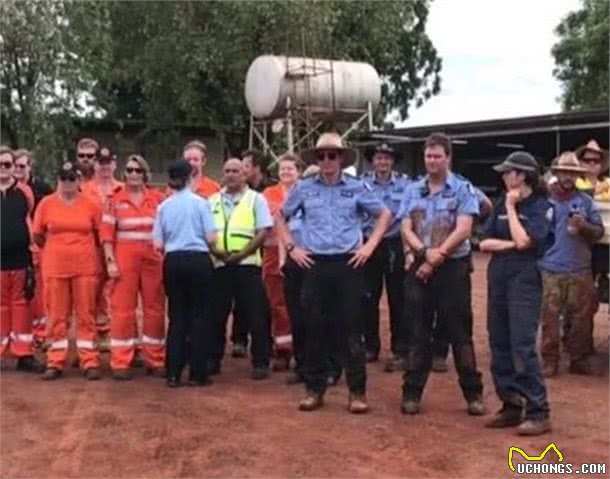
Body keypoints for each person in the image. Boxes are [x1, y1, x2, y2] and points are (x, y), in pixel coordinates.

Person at [278, 132, 392, 414]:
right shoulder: (304, 188)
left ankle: (357, 392)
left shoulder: (356, 187)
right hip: (315, 264)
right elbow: (280, 216)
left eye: (332, 155)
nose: (327, 161)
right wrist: (292, 248)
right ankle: (314, 390)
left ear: (341, 158)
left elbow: (385, 215)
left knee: (352, 329)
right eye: (322, 156)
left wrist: (370, 246)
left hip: (348, 264)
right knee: (314, 327)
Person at [399, 132, 484, 416]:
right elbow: (406, 227)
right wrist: (423, 253)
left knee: (460, 332)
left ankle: (473, 394)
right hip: (421, 263)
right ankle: (411, 393)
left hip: (452, 268)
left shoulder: (462, 189)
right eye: (428, 156)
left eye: (437, 156)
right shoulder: (413, 190)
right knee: (417, 332)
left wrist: (437, 256)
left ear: (448, 158)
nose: (432, 161)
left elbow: (464, 229)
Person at [480, 151, 553, 436]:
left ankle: (538, 410)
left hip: (524, 279)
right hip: (499, 274)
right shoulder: (500, 200)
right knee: (499, 342)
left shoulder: (540, 206)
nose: (503, 176)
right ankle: (511, 404)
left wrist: (511, 210)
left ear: (521, 175)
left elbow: (527, 241)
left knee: (521, 344)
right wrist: (512, 244)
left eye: (508, 172)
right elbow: (484, 242)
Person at [33, 161, 103, 380]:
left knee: (86, 315)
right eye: (64, 178)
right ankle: (55, 361)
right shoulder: (46, 204)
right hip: (55, 268)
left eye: (72, 178)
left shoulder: (91, 204)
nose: (68, 182)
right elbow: (38, 235)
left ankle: (89, 360)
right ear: (59, 180)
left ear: (79, 180)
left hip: (84, 267)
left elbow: (100, 234)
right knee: (56, 316)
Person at [538, 152, 604, 377]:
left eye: (573, 174)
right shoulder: (544, 200)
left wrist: (584, 226)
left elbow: (599, 232)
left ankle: (578, 358)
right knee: (549, 319)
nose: (568, 177)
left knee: (581, 318)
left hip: (579, 267)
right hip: (550, 267)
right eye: (564, 172)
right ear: (556, 174)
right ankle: (550, 359)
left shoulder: (586, 202)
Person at [101, 155, 166, 380]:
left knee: (155, 309)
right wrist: (110, 262)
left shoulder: (157, 199)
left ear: (145, 173)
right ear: (124, 173)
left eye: (138, 170)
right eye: (130, 170)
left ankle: (155, 358)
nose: (134, 174)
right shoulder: (114, 200)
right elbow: (107, 236)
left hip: (153, 259)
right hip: (124, 259)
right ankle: (121, 360)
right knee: (122, 310)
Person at [152, 160, 217, 387]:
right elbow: (211, 238)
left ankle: (172, 373)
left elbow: (158, 243)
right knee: (200, 316)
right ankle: (198, 373)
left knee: (177, 317)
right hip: (198, 259)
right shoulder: (201, 204)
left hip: (174, 260)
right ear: (191, 178)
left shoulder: (163, 207)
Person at [208, 158, 273, 380]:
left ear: (244, 175)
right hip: (220, 264)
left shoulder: (256, 199)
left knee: (257, 314)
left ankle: (261, 361)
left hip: (247, 265)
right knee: (215, 315)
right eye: (227, 171)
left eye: (236, 171)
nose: (231, 174)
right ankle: (212, 360)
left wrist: (242, 254)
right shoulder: (212, 201)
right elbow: (205, 231)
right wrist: (217, 253)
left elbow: (263, 231)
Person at [361, 143, 410, 372]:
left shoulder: (405, 184)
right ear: (373, 161)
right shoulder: (362, 184)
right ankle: (370, 347)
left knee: (398, 298)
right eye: (379, 158)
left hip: (394, 244)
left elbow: (410, 213)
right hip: (369, 244)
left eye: (387, 159)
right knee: (368, 298)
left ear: (393, 162)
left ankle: (400, 349)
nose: (383, 162)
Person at [0, 146, 41, 371]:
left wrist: (31, 253)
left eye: (7, 165)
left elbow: (28, 220)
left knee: (22, 306)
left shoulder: (24, 192)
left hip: (20, 259)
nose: (4, 169)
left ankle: (24, 354)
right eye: (0, 165)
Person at [81, 146, 124, 351]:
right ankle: (95, 334)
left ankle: (120, 335)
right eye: (101, 162)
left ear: (114, 164)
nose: (105, 167)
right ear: (95, 164)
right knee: (92, 292)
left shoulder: (123, 189)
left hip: (120, 245)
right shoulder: (84, 189)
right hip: (91, 246)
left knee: (119, 291)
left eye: (108, 162)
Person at [262, 153, 303, 370]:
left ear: (299, 171)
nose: (286, 172)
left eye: (290, 169)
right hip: (272, 256)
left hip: (301, 255)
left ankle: (301, 348)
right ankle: (283, 349)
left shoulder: (306, 192)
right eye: (282, 169)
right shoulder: (269, 193)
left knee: (301, 303)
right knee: (277, 304)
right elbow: (270, 219)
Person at [13, 149, 53, 346]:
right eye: (15, 166)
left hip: (38, 245)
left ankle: (41, 333)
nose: (18, 170)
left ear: (30, 167)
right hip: (15, 248)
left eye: (22, 166)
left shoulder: (42, 188)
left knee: (38, 291)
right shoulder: (9, 189)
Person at [575, 139, 609, 303]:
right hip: (582, 244)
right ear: (580, 162)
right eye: (587, 160)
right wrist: (596, 191)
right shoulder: (575, 183)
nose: (592, 164)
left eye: (596, 161)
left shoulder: (607, 183)